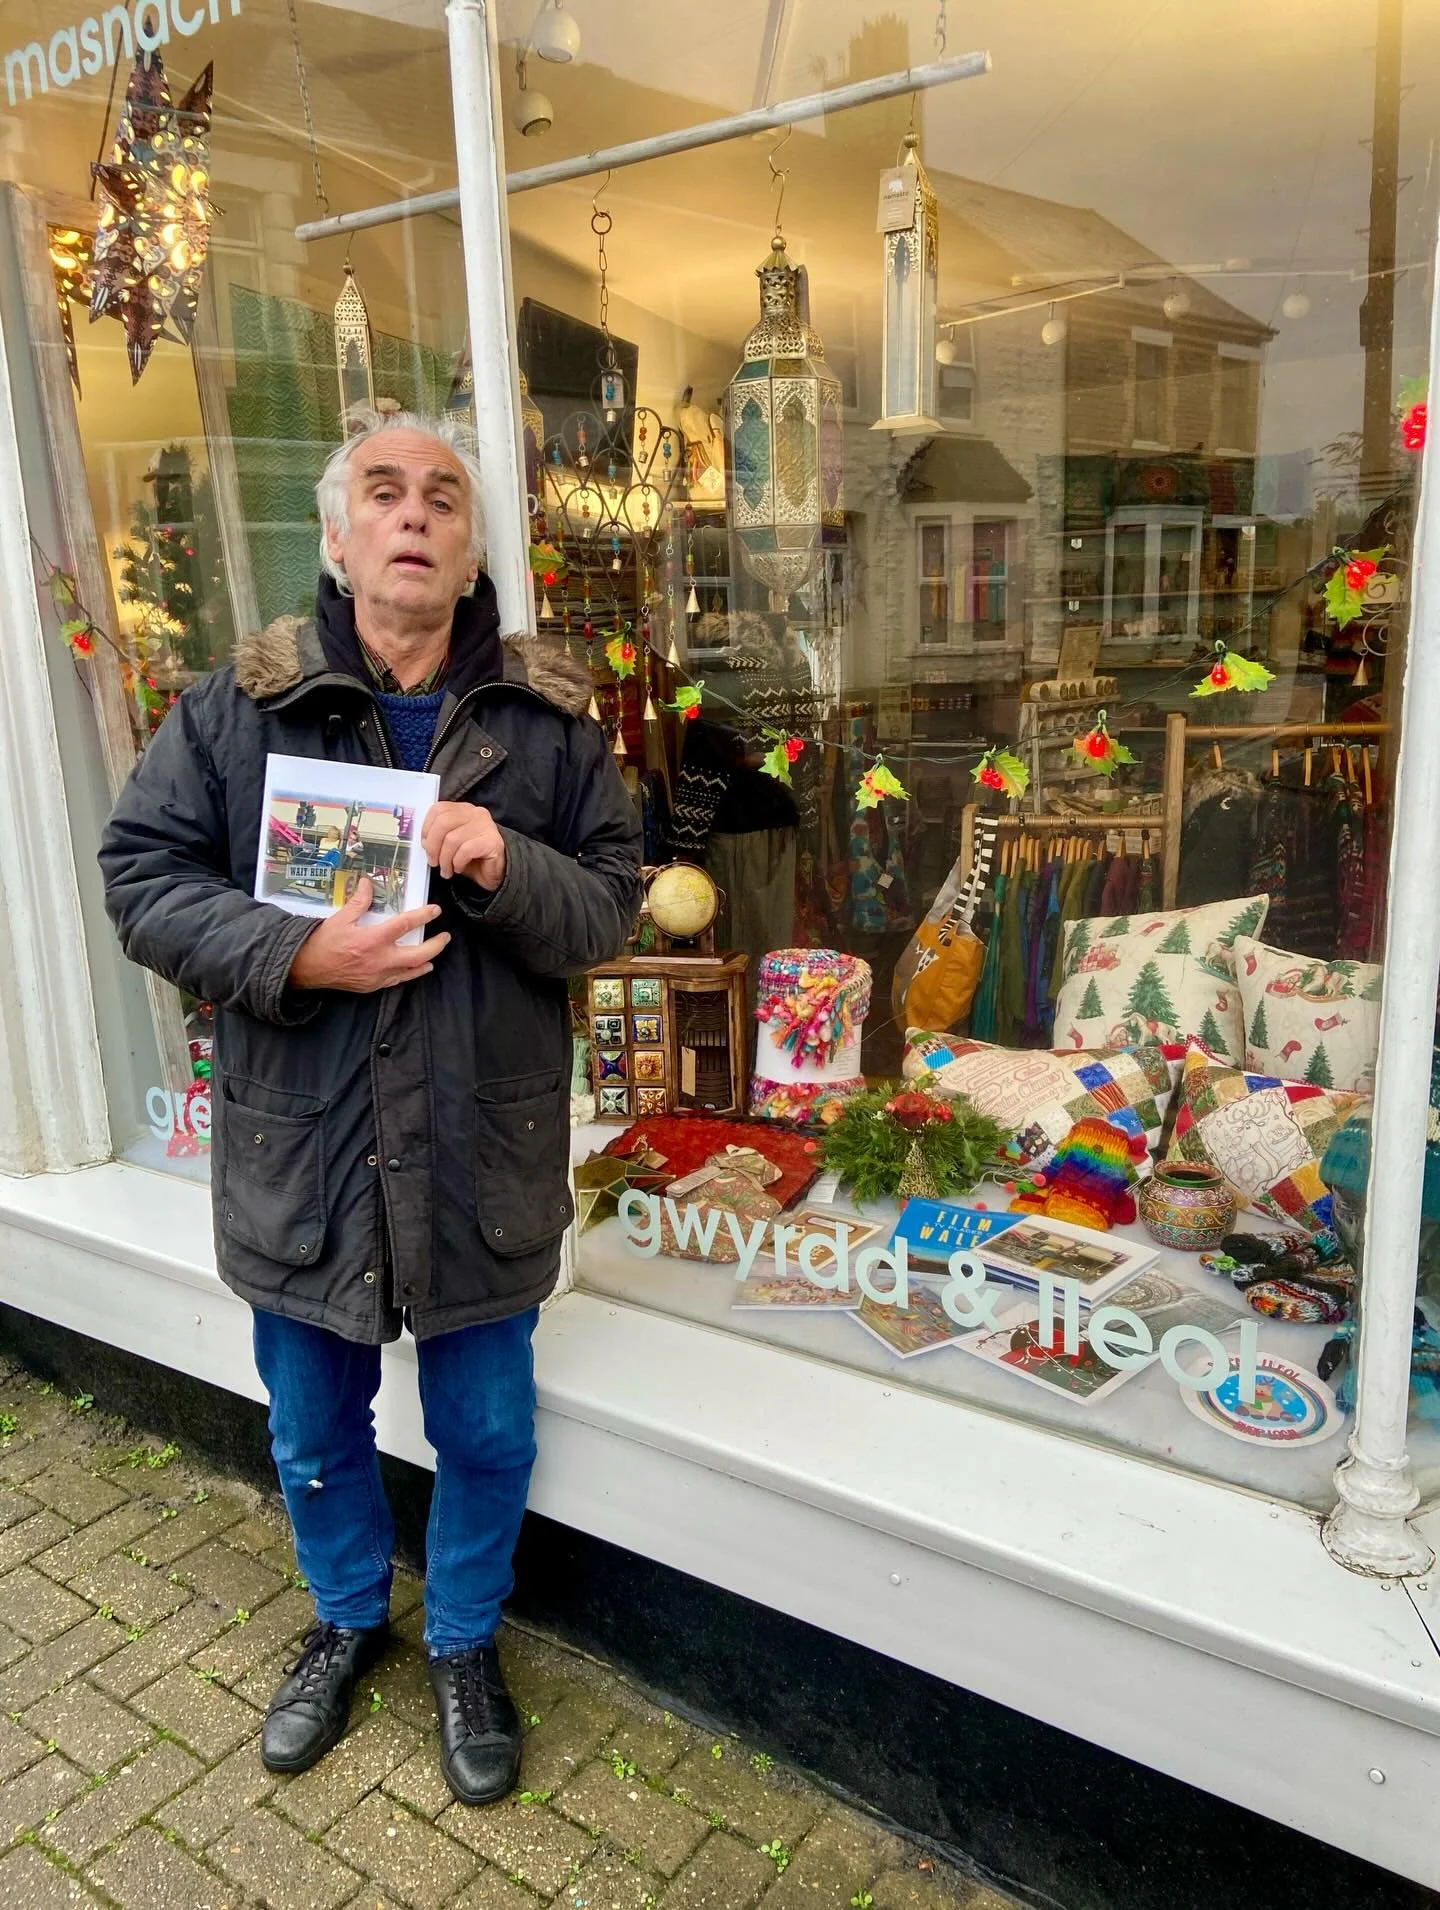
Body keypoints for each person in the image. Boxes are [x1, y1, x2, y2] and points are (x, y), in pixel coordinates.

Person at [99, 408, 642, 1805]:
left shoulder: (547, 728)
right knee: (311, 1430)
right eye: (385, 493)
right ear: (339, 541)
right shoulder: (238, 709)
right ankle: (346, 1617)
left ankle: (461, 1637)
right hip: (307, 1153)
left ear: (469, 553)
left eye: (443, 498)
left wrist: (506, 858)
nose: (415, 514)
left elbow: (609, 910)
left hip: (480, 1151)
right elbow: (142, 877)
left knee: (488, 1432)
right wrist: (295, 954)